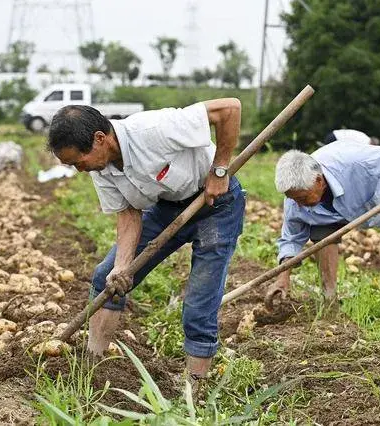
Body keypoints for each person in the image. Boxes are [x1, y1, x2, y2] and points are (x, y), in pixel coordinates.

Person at [47, 99, 245, 383]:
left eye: (79, 161)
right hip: (167, 208)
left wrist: (219, 170)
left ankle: (195, 386)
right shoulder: (101, 168)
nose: (80, 170)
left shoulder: (154, 129)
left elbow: (229, 109)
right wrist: (123, 266)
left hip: (217, 204)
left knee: (199, 302)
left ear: (100, 139)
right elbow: (129, 214)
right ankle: (91, 368)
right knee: (107, 277)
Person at [266, 140, 380, 330]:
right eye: (294, 199)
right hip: (347, 210)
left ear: (319, 181)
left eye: (303, 198)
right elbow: (291, 239)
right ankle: (329, 302)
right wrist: (282, 277)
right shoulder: (296, 199)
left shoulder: (357, 162)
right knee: (319, 228)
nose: (299, 205)